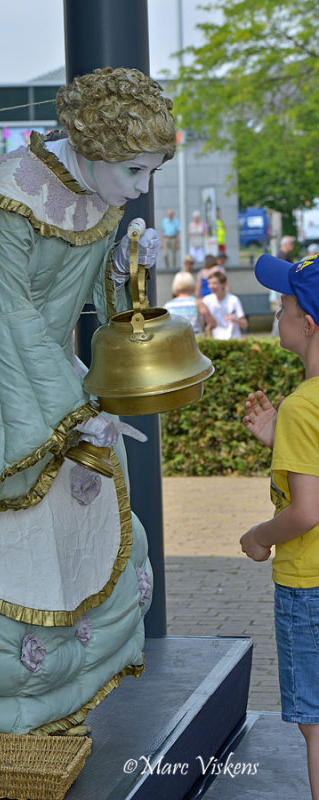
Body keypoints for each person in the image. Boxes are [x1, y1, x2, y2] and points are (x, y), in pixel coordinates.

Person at [0, 67, 177, 742]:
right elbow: (11, 318)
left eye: (149, 173)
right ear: (95, 148)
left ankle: (51, 702)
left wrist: (126, 273)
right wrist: (73, 417)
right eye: (135, 171)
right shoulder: (3, 195)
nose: (139, 189)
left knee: (69, 544)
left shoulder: (100, 196)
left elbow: (96, 314)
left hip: (39, 383)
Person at [240, 251, 319, 800]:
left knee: (316, 723)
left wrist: (258, 536)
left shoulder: (302, 408)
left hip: (308, 588)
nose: (277, 312)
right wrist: (278, 444)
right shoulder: (299, 412)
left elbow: (307, 512)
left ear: (308, 324)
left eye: (284, 304)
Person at [200, 270, 248, 339]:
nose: (211, 286)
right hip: (214, 340)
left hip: (233, 339)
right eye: (209, 283)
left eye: (214, 283)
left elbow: (245, 325)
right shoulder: (206, 300)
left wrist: (235, 319)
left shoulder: (234, 300)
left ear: (223, 284)